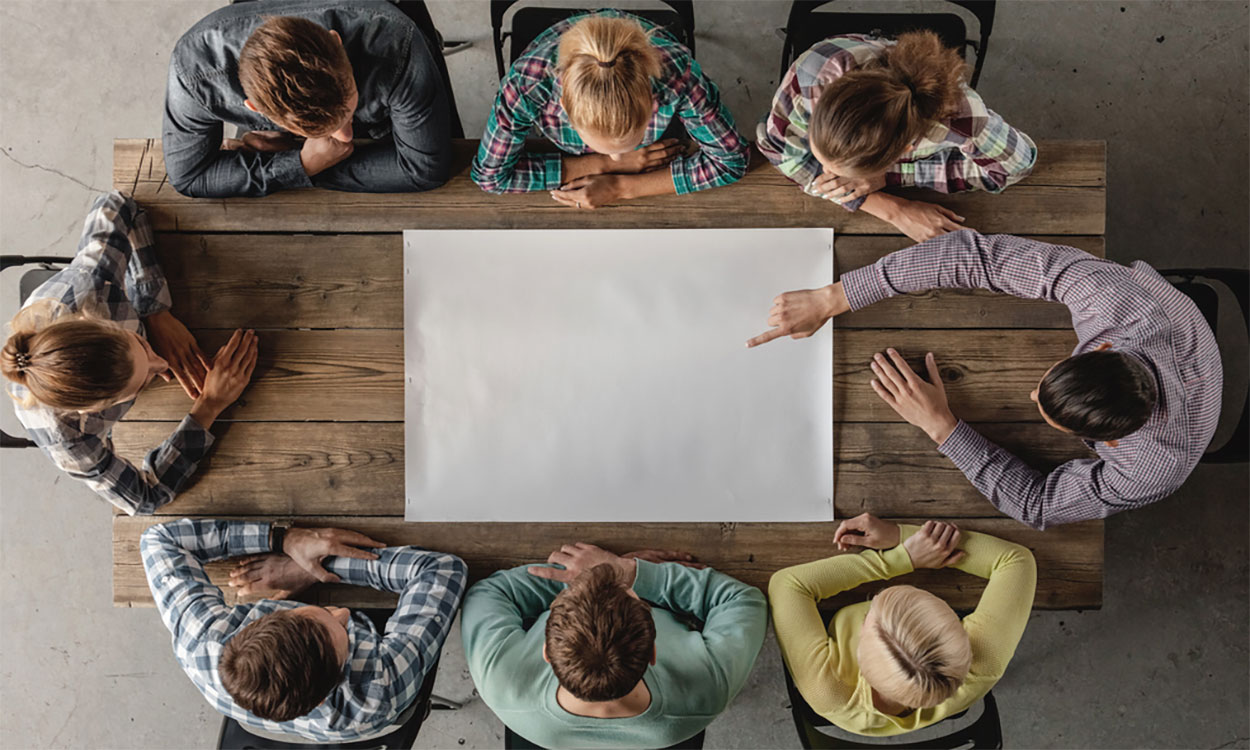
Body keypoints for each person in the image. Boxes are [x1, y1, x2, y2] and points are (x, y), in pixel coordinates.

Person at [747, 231, 1222, 529]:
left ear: (1109, 442)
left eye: (1046, 410)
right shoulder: (1112, 299)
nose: (1032, 392)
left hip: (1200, 407)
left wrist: (943, 428)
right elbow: (982, 258)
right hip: (1174, 316)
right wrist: (834, 297)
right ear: (1100, 348)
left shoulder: (1152, 468)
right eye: (1046, 385)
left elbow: (1038, 504)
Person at [0, 191, 258, 515]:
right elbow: (145, 498)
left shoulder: (89, 285)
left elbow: (118, 204)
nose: (163, 363)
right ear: (96, 411)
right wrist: (208, 407)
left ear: (100, 323)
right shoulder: (70, 441)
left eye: (143, 346)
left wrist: (154, 311)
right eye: (145, 379)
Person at [141, 518, 467, 742]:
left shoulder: (202, 645)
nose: (342, 612)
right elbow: (442, 570)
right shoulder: (382, 685)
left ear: (261, 620)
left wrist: (284, 539)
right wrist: (315, 567)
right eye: (343, 633)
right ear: (335, 681)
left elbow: (159, 540)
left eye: (321, 614)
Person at [461, 542, 767, 748]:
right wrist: (631, 573)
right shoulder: (707, 688)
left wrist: (586, 575)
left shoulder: (500, 680)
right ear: (653, 653)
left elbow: (488, 592)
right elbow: (744, 601)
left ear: (546, 652)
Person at [769, 513, 1036, 737]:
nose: (871, 603)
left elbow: (787, 584)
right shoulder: (983, 660)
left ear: (860, 646)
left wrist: (902, 555)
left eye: (870, 612)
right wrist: (900, 535)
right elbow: (1016, 561)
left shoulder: (829, 690)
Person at [757, 32, 1036, 242]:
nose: (829, 177)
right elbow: (776, 147)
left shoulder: (962, 118)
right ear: (825, 103)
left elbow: (1016, 166)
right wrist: (892, 208)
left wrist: (892, 177)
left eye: (834, 172)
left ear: (905, 149)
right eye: (822, 161)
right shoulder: (815, 73)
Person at [163, 0, 451, 197]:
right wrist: (304, 163)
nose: (346, 136)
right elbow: (189, 178)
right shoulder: (195, 73)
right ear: (256, 108)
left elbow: (425, 170)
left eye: (348, 111)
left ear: (335, 41)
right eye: (316, 130)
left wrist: (298, 167)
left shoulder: (398, 45)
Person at [471, 9, 749, 209]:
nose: (619, 157)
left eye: (633, 141)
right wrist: (600, 164)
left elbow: (732, 161)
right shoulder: (527, 84)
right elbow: (490, 177)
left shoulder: (676, 74)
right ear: (564, 107)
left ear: (653, 102)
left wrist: (621, 187)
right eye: (607, 150)